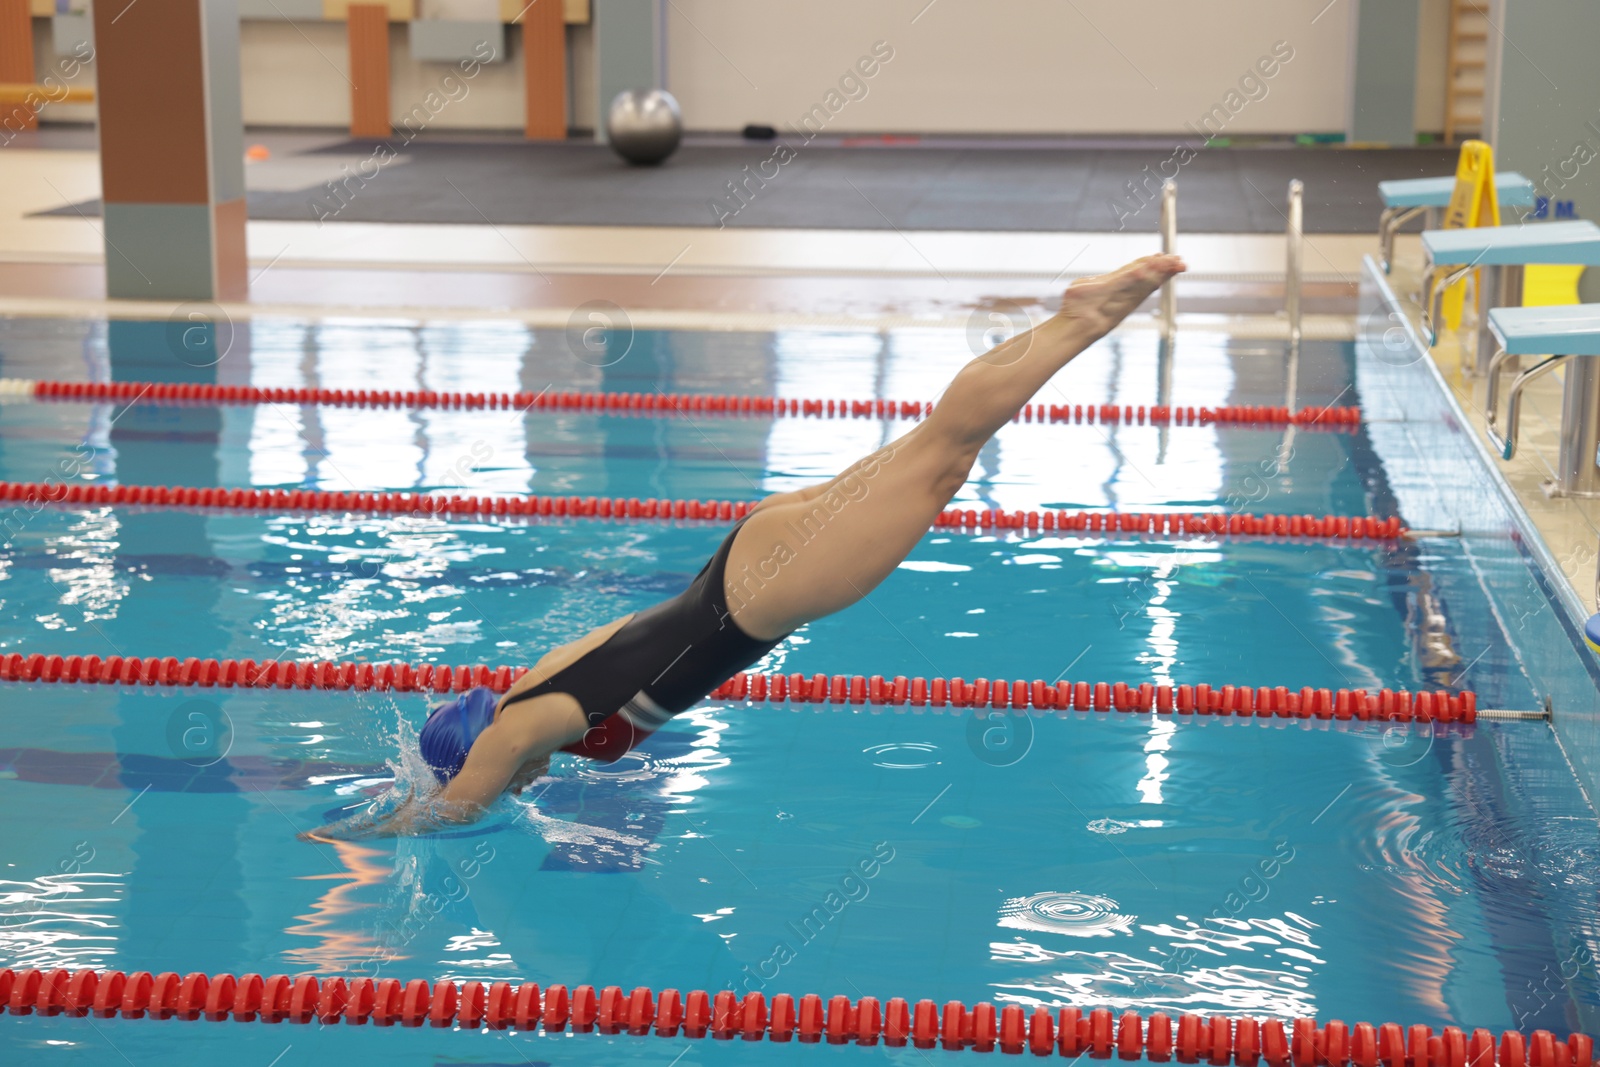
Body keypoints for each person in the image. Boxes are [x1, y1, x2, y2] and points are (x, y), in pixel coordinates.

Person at [303, 254, 1186, 841]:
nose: (516, 779)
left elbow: (450, 814)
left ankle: (1078, 321)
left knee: (944, 454)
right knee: (934, 451)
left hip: (758, 594)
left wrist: (358, 831)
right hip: (743, 569)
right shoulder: (535, 696)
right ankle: (1074, 323)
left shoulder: (524, 725)